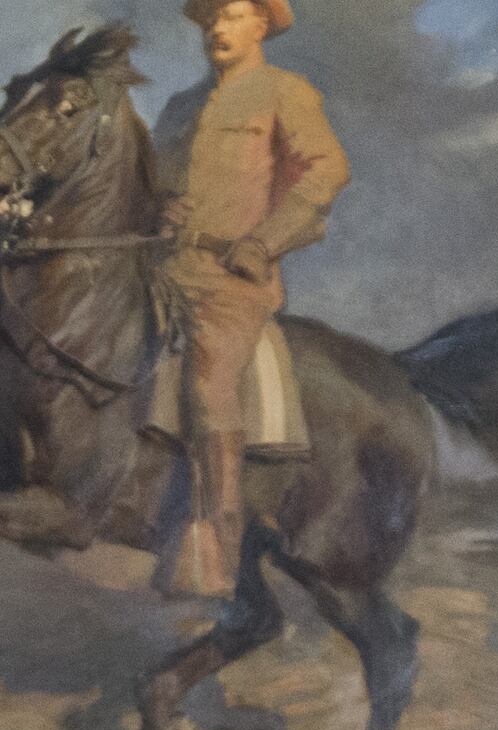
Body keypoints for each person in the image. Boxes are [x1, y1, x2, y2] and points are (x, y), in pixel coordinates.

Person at [150, 0, 349, 595]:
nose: (217, 27)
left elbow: (327, 170)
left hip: (233, 282)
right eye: (209, 17)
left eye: (232, 14)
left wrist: (265, 242)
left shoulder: (284, 92)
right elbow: (156, 183)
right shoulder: (179, 107)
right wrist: (160, 206)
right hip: (164, 271)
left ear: (262, 24)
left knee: (208, 383)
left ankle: (218, 540)